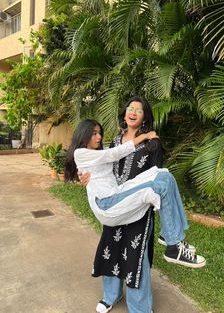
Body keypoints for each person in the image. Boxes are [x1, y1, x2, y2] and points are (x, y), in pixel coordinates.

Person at [68, 97, 206, 313]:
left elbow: (155, 176)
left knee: (136, 257)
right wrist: (82, 177)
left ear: (144, 117)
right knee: (110, 250)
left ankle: (139, 307)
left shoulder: (152, 143)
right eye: (129, 109)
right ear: (124, 114)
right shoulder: (112, 142)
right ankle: (111, 295)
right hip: (114, 203)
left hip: (139, 204)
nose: (132, 113)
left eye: (138, 111)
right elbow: (96, 164)